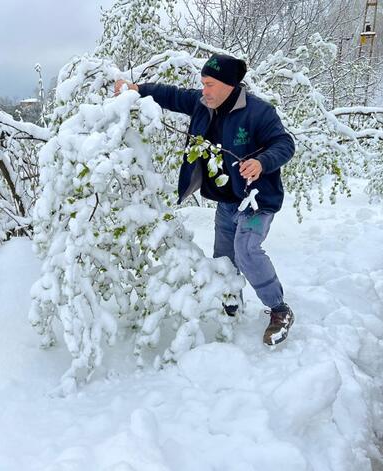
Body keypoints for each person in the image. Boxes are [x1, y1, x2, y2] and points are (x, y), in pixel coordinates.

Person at [114, 53, 295, 347]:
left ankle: (279, 309)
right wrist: (138, 89)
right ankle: (230, 306)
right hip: (226, 202)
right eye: (203, 84)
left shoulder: (259, 112)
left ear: (229, 85)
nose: (204, 90)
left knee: (246, 250)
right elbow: (171, 95)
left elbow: (285, 143)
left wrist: (262, 162)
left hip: (255, 200)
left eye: (210, 84)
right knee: (224, 259)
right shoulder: (203, 104)